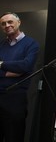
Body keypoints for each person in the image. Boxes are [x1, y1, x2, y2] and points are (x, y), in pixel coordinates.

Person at [0, 12, 39, 142]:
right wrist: (10, 71)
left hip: (15, 99)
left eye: (10, 22)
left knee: (14, 137)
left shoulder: (31, 44)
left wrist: (1, 64)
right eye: (3, 24)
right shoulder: (1, 45)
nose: (7, 25)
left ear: (19, 22)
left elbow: (25, 67)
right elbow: (19, 69)